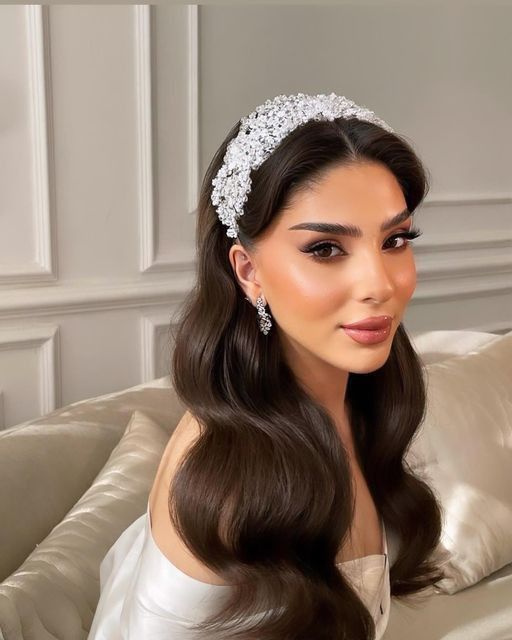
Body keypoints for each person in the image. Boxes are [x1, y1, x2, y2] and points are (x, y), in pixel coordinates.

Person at [88, 92, 445, 640]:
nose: (382, 284)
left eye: (395, 239)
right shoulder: (227, 481)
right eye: (326, 249)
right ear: (248, 270)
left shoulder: (362, 404)